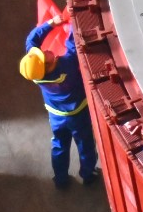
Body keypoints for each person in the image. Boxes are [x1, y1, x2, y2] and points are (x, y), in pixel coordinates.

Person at [20, 13, 99, 189]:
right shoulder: (67, 65)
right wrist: (73, 22)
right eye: (44, 55)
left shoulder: (36, 73)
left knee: (59, 145)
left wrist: (51, 23)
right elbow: (73, 44)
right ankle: (88, 175)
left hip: (56, 115)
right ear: (48, 66)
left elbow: (31, 41)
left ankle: (61, 179)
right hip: (78, 114)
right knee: (85, 144)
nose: (45, 51)